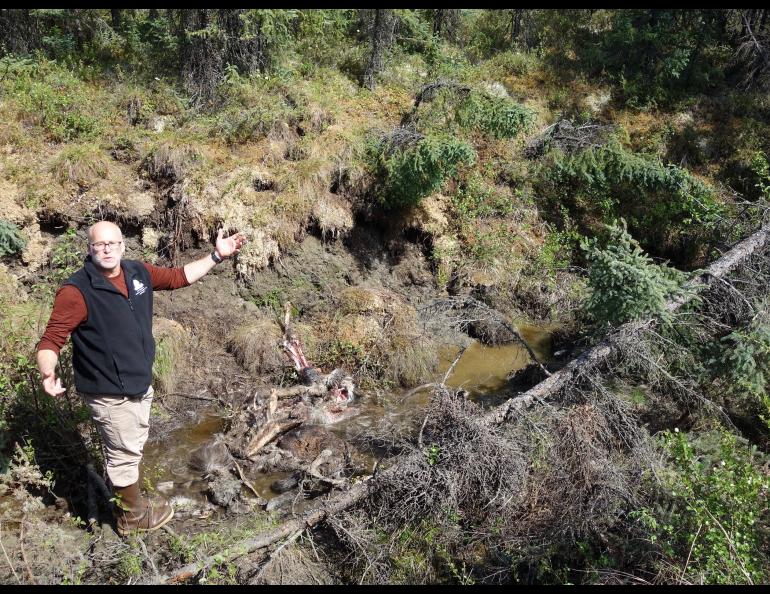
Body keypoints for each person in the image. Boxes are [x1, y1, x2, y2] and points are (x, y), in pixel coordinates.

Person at [36, 221, 246, 536]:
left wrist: (216, 256)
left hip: (137, 381)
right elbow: (52, 339)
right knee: (123, 455)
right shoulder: (76, 290)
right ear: (90, 249)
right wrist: (47, 370)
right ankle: (131, 519)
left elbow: (178, 277)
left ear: (122, 245)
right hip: (108, 389)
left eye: (112, 243)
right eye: (99, 245)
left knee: (130, 446)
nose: (106, 249)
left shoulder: (137, 272)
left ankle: (129, 496)